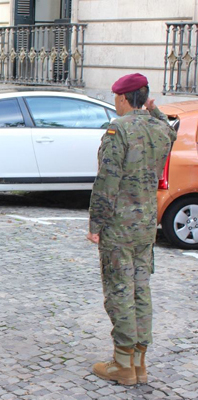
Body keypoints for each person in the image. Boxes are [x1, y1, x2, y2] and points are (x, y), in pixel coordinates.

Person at [87, 73, 177, 385]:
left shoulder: (119, 129)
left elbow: (107, 181)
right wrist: (155, 110)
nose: (115, 103)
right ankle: (139, 363)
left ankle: (122, 364)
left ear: (124, 99)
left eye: (116, 98)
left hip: (119, 225)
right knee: (141, 289)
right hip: (146, 226)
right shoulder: (159, 127)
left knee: (119, 291)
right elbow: (172, 134)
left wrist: (96, 223)